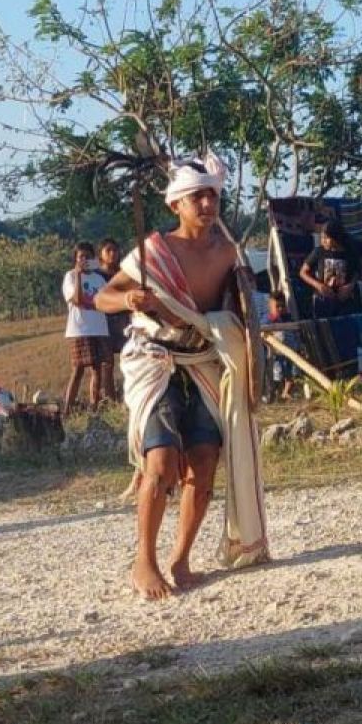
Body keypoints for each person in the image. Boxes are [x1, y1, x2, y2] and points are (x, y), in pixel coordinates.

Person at [95, 153, 269, 601]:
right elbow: (102, 298)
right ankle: (144, 561)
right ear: (177, 204)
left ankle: (180, 557)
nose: (207, 204)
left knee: (206, 460)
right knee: (161, 463)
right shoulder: (155, 251)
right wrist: (131, 297)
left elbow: (242, 309)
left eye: (212, 194)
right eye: (197, 196)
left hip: (204, 361)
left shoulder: (230, 253)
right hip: (155, 359)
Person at [61, 241, 112, 416]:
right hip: (80, 329)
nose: (85, 260)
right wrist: (79, 275)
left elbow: (107, 300)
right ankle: (66, 410)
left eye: (88, 256)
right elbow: (76, 300)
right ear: (75, 259)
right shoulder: (70, 277)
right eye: (81, 256)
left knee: (98, 369)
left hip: (99, 327)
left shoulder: (99, 279)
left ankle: (94, 408)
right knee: (77, 370)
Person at [299, 219, 361, 319]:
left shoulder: (349, 253)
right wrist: (319, 286)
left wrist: (349, 287)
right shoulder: (319, 252)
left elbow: (357, 272)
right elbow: (303, 272)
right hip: (323, 300)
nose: (322, 241)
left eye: (326, 238)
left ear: (335, 238)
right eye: (322, 237)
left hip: (344, 300)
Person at [97, 238, 129, 399]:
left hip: (124, 321)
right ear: (101, 254)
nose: (112, 254)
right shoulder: (96, 275)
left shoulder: (124, 273)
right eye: (108, 250)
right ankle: (109, 398)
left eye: (115, 250)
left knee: (129, 357)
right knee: (107, 362)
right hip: (104, 322)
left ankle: (128, 393)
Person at [264, 291, 298, 401]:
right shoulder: (267, 319)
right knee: (276, 372)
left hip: (290, 351)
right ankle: (275, 393)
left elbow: (295, 331)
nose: (280, 309)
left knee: (292, 371)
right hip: (275, 352)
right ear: (270, 306)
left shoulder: (287, 317)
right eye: (277, 306)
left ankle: (286, 392)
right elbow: (262, 333)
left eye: (282, 306)